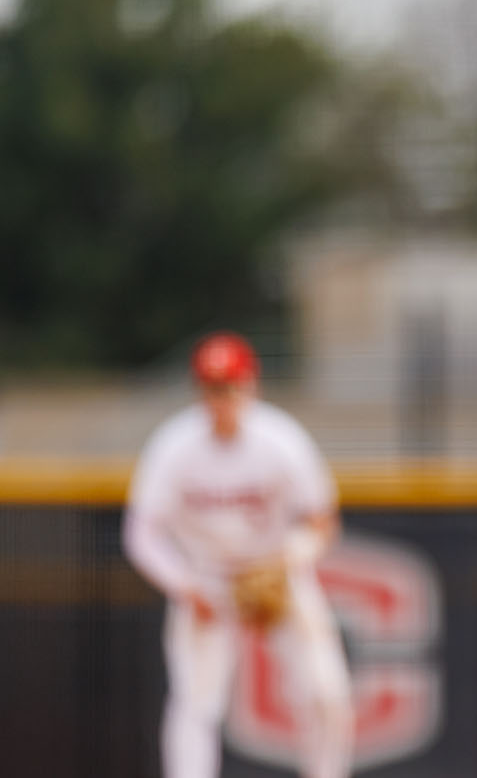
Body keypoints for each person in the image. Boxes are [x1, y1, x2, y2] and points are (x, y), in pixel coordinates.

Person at [124, 331, 352, 778]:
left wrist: (289, 559)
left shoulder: (282, 440)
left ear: (251, 386)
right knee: (195, 702)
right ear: (199, 391)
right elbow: (141, 534)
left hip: (276, 571)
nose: (222, 398)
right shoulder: (173, 446)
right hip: (205, 577)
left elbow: (322, 520)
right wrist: (184, 586)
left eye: (231, 386)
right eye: (213, 388)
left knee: (325, 692)